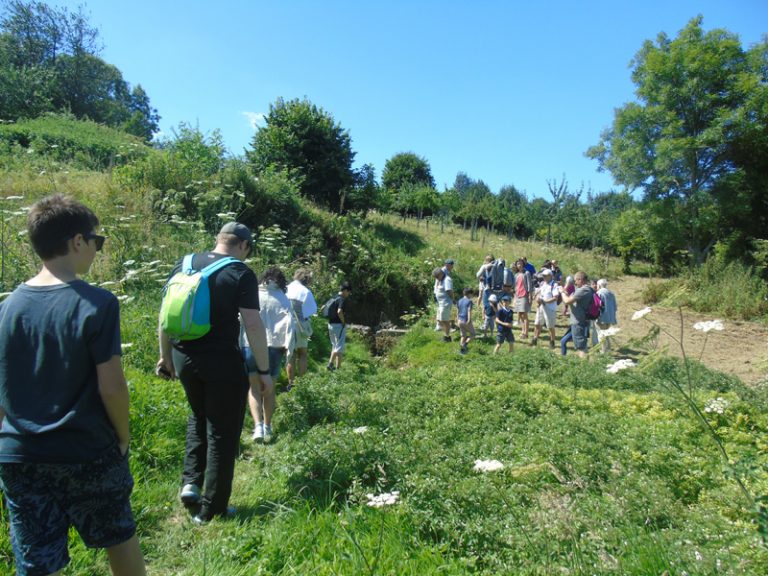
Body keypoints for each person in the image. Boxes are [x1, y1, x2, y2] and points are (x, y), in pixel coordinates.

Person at [0, 195, 146, 576]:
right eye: (96, 241)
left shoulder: (8, 307)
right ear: (77, 241)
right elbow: (111, 387)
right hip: (85, 448)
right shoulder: (97, 303)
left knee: (36, 561)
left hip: (19, 453)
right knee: (118, 535)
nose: (97, 249)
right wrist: (123, 436)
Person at [156, 221, 271, 524]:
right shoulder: (240, 272)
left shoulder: (186, 263)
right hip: (221, 362)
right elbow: (253, 324)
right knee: (223, 431)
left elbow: (166, 312)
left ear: (219, 239)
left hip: (183, 357)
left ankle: (190, 483)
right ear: (244, 245)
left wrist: (165, 356)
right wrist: (263, 369)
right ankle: (213, 508)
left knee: (198, 415)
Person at [241, 267, 294, 443]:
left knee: (254, 387)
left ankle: (257, 427)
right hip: (275, 347)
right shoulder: (283, 299)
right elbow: (290, 327)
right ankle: (268, 426)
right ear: (281, 282)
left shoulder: (252, 294)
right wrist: (289, 350)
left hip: (251, 345)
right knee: (269, 389)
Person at [285, 268, 317, 391]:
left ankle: (290, 384)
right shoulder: (305, 291)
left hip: (287, 324)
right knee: (302, 354)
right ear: (307, 279)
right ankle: (302, 383)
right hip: (300, 325)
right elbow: (312, 310)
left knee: (290, 355)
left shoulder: (287, 288)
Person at [560, 271, 595, 358]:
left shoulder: (584, 290)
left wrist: (562, 292)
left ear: (580, 280)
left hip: (579, 322)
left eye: (576, 280)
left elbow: (567, 301)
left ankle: (584, 367)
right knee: (568, 342)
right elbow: (572, 300)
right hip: (579, 321)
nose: (575, 283)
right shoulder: (588, 290)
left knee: (581, 347)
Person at [532, 268, 560, 348]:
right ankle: (535, 339)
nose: (544, 277)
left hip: (550, 308)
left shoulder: (554, 285)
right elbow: (539, 293)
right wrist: (537, 298)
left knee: (550, 326)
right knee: (537, 324)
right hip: (541, 307)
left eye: (545, 276)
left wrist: (545, 301)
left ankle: (552, 341)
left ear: (550, 276)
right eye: (543, 276)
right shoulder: (543, 284)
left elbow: (555, 298)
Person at [327, 281, 352, 370]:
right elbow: (339, 311)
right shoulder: (341, 299)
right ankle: (333, 366)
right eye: (349, 292)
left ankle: (334, 366)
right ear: (345, 290)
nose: (349, 294)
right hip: (338, 325)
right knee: (339, 347)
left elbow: (323, 308)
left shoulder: (333, 297)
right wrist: (343, 322)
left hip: (330, 324)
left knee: (335, 345)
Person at [596, 279, 618, 353]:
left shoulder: (599, 293)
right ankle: (608, 350)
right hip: (609, 317)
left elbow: (597, 306)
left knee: (601, 335)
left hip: (601, 317)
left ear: (599, 285)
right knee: (607, 334)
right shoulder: (611, 293)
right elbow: (615, 307)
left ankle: (603, 352)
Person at [433, 266, 454, 342]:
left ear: (441, 274)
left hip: (445, 303)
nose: (437, 279)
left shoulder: (447, 280)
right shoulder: (441, 279)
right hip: (441, 303)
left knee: (445, 320)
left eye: (437, 277)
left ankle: (447, 337)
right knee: (439, 320)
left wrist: (452, 300)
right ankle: (446, 333)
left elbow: (450, 291)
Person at [513, 259, 533, 339]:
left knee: (525, 315)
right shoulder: (516, 275)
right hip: (518, 296)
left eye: (521, 263)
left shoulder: (527, 273)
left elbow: (529, 285)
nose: (519, 265)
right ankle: (522, 331)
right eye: (518, 264)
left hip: (524, 295)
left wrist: (530, 296)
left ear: (523, 264)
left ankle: (526, 333)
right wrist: (514, 298)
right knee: (520, 315)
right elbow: (515, 287)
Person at [456, 287, 476, 355]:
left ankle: (462, 350)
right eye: (472, 294)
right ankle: (465, 345)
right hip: (465, 320)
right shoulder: (469, 301)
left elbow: (458, 310)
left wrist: (457, 319)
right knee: (473, 334)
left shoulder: (459, 300)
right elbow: (469, 310)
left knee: (463, 335)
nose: (472, 296)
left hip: (459, 320)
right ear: (469, 294)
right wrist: (469, 320)